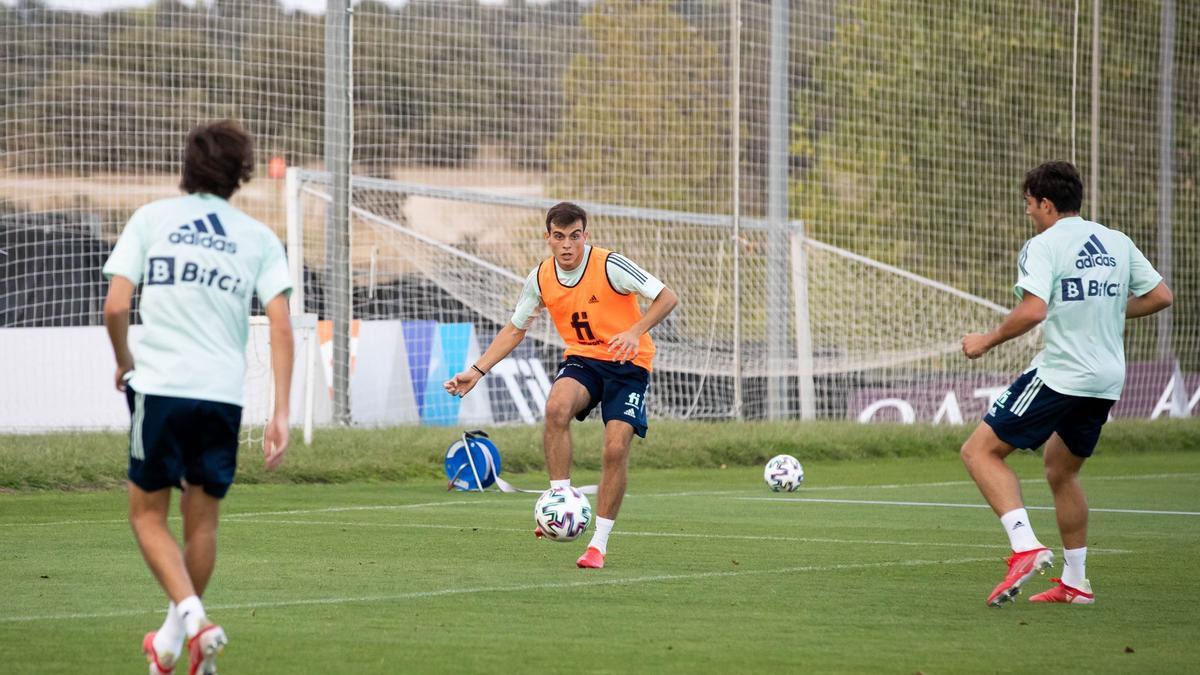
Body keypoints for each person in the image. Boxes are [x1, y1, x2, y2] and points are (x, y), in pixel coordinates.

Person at [102, 120, 295, 673]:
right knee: (203, 522)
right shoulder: (258, 237)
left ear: (186, 169)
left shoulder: (151, 219)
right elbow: (280, 327)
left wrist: (124, 360)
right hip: (221, 398)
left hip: (160, 389)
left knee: (145, 515)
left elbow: (116, 307)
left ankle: (194, 620)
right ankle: (169, 644)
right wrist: (280, 411)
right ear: (242, 175)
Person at [960, 160, 1173, 607]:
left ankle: (1025, 546)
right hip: (1106, 379)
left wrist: (987, 340)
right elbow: (1160, 296)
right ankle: (1076, 583)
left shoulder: (1043, 244)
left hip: (1061, 372)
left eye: (1029, 204)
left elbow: (1033, 311)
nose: (1028, 213)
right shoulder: (1116, 241)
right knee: (1061, 469)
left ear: (1047, 204)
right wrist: (1111, 310)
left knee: (979, 452)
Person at [444, 202, 678, 569]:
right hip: (584, 360)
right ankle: (558, 501)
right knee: (556, 407)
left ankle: (598, 545)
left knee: (615, 449)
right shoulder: (540, 278)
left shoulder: (610, 265)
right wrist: (477, 370)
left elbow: (667, 296)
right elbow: (515, 328)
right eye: (559, 237)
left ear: (585, 235)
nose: (568, 244)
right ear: (548, 238)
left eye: (575, 236)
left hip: (629, 365)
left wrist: (635, 331)